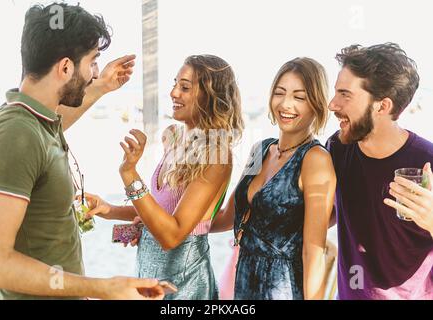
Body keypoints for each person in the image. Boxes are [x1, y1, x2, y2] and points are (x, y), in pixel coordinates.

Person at [0, 3, 164, 300]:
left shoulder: (38, 124)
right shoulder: (15, 134)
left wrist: (103, 86)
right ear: (66, 67)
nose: (94, 73)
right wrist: (102, 288)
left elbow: (48, 132)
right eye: (92, 62)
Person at [84, 54, 244, 299]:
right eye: (175, 84)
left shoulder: (217, 155)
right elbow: (159, 212)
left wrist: (129, 173)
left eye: (185, 87)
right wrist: (110, 210)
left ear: (210, 96)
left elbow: (172, 234)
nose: (173, 93)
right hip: (149, 279)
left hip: (185, 288)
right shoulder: (174, 138)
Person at [210, 57, 336, 300]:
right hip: (244, 279)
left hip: (284, 287)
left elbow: (313, 252)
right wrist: (173, 225)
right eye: (280, 93)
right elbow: (228, 217)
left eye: (299, 97)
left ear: (316, 103)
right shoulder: (260, 149)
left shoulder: (315, 160)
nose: (286, 104)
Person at [326, 43, 433, 300]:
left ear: (382, 106)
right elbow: (323, 215)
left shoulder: (428, 162)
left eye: (345, 95)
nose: (332, 104)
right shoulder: (337, 149)